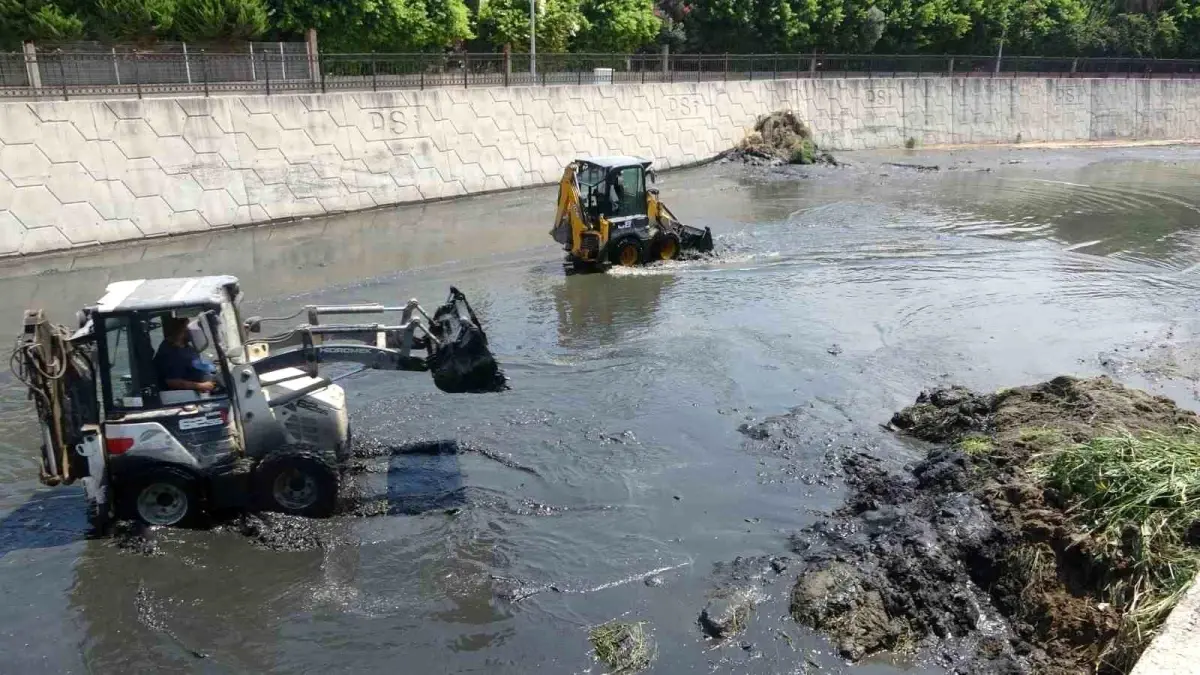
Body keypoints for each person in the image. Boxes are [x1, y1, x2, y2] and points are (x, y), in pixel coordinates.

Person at [153, 316, 218, 393]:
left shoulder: (185, 346)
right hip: (186, 397)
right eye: (187, 328)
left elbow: (194, 364)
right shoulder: (170, 353)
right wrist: (202, 386)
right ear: (180, 330)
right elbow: (172, 382)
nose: (191, 331)